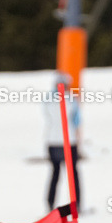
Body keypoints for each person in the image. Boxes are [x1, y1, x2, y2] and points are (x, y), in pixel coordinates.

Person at [44, 73, 82, 210]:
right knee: (73, 174)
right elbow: (77, 121)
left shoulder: (48, 100)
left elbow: (47, 116)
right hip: (69, 142)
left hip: (52, 142)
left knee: (55, 173)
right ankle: (77, 205)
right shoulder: (72, 100)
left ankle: (50, 204)